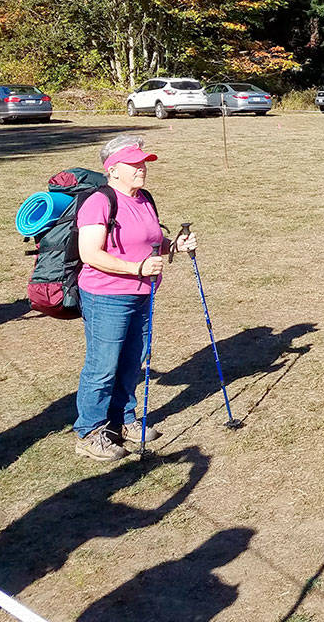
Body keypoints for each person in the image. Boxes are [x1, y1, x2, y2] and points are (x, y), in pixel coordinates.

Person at [73, 134, 196, 461]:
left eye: (143, 163)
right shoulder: (99, 201)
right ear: (113, 170)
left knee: (132, 361)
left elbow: (150, 240)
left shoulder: (144, 198)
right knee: (102, 365)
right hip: (106, 296)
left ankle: (122, 420)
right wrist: (136, 268)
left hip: (143, 295)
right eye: (134, 164)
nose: (142, 168)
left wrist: (175, 246)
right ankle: (89, 431)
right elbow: (90, 253)